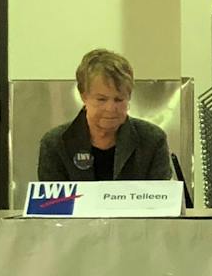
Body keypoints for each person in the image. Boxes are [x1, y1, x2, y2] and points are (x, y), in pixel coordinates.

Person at [38, 49, 173, 182]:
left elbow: (162, 202)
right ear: (83, 96)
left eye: (119, 99)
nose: (110, 108)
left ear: (129, 97)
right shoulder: (55, 144)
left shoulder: (152, 140)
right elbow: (53, 203)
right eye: (101, 99)